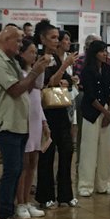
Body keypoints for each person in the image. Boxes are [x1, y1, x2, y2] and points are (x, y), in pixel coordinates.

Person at [0, 25, 49, 219]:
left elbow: (30, 86)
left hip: (21, 122)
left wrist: (37, 71)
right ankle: (4, 217)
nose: (20, 44)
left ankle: (13, 211)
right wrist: (34, 71)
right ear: (5, 41)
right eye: (17, 40)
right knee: (12, 170)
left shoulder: (13, 62)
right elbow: (15, 90)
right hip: (7, 123)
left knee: (18, 169)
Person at [36, 23, 79, 208]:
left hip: (61, 110)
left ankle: (65, 194)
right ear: (43, 39)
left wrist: (68, 81)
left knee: (67, 149)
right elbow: (48, 82)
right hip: (47, 111)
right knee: (47, 154)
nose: (57, 41)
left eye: (57, 37)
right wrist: (64, 68)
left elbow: (65, 82)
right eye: (53, 38)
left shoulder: (56, 57)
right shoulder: (42, 58)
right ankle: (45, 196)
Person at [77, 39, 110, 197]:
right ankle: (85, 185)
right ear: (94, 53)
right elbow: (90, 95)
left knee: (105, 149)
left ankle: (104, 183)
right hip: (91, 112)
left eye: (105, 51)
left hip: (106, 110)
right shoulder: (87, 71)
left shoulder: (108, 69)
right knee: (89, 149)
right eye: (102, 51)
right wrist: (104, 111)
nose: (105, 54)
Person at [14, 37, 49, 219]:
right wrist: (35, 72)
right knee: (23, 164)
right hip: (23, 120)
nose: (34, 55)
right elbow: (25, 91)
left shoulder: (33, 71)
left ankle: (27, 200)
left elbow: (38, 93)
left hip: (36, 119)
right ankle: (19, 202)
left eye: (36, 52)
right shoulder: (19, 72)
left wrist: (44, 122)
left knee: (33, 163)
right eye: (31, 52)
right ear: (21, 53)